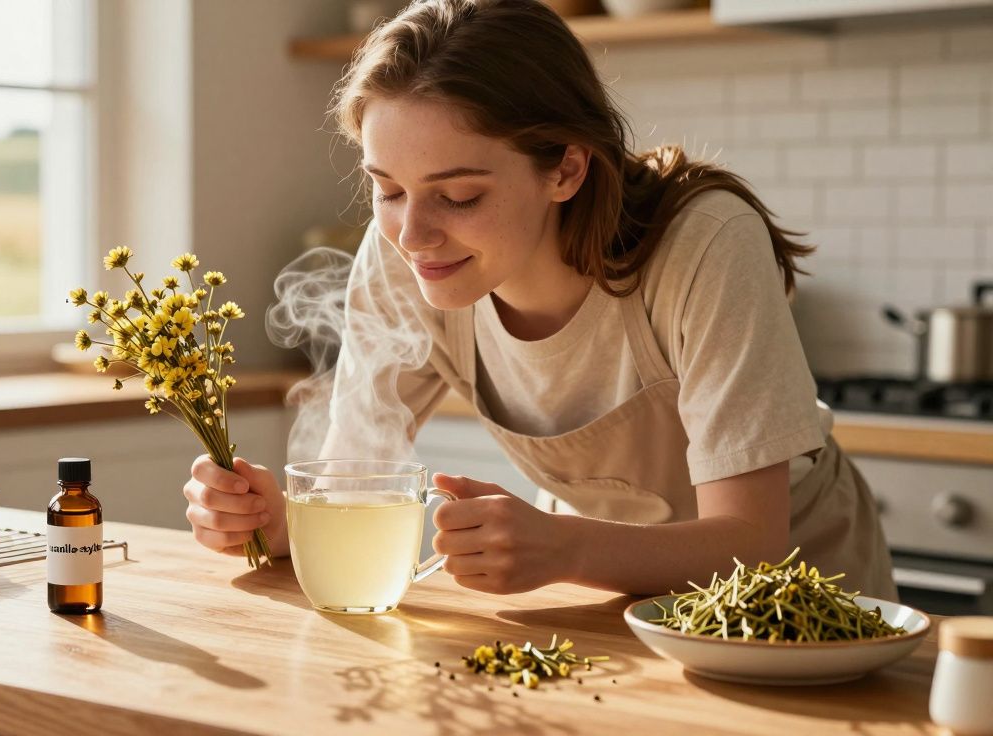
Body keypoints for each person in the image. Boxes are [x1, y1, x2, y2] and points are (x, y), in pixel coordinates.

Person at [182, 0, 895, 599]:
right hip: (600, 592)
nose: (412, 234)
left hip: (796, 596)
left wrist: (564, 547)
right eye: (387, 189)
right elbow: (352, 488)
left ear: (566, 168)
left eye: (459, 195)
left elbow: (751, 542)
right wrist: (281, 524)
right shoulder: (402, 254)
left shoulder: (704, 243)